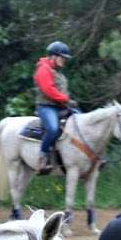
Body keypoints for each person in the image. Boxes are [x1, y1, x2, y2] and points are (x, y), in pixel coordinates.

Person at [33, 41, 81, 172]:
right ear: (53, 56)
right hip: (46, 106)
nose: (64, 60)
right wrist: (66, 99)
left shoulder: (57, 72)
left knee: (81, 121)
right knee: (53, 129)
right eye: (63, 57)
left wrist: (68, 102)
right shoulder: (44, 69)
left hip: (60, 106)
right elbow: (48, 90)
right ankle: (42, 157)